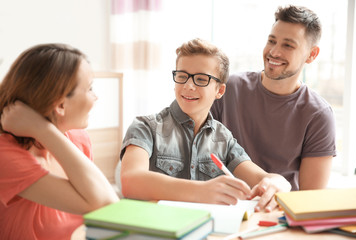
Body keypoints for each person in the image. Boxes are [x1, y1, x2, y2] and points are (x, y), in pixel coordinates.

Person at [118, 38, 291, 212]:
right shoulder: (145, 127)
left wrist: (278, 182)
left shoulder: (224, 139)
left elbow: (262, 177)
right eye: (182, 76)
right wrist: (201, 191)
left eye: (201, 79)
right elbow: (131, 181)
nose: (188, 85)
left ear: (220, 90)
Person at [0, 43, 119, 240]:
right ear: (60, 105)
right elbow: (106, 202)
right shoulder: (5, 155)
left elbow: (106, 208)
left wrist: (44, 130)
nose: (96, 97)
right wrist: (43, 129)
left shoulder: (78, 140)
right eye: (90, 89)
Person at [211, 5, 336, 191]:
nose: (274, 52)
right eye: (272, 41)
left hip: (277, 212)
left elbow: (310, 198)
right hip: (223, 202)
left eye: (288, 45)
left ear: (311, 54)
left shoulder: (318, 115)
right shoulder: (228, 88)